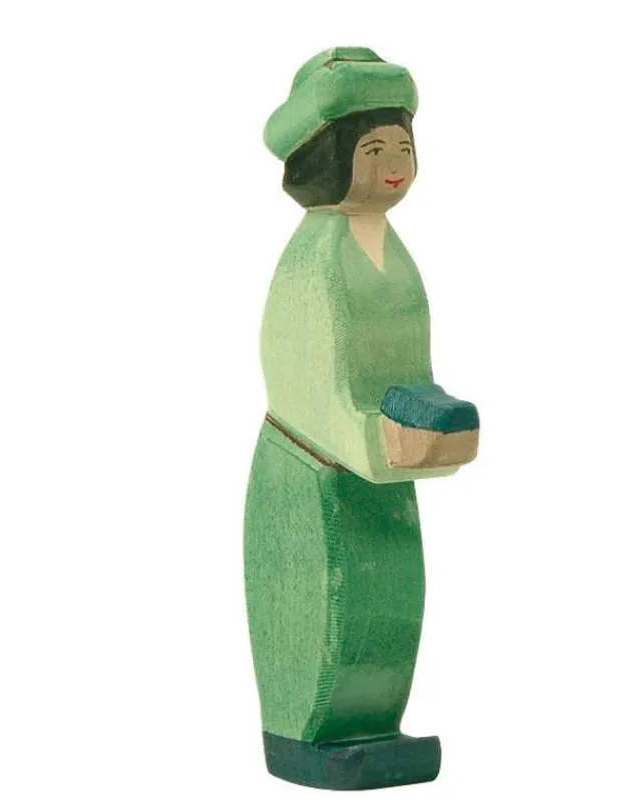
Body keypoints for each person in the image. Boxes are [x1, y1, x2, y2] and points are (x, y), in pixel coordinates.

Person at [244, 47, 479, 790]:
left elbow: (408, 365)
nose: (394, 167)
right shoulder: (313, 260)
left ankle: (377, 727)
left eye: (403, 148)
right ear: (328, 158)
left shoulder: (393, 253)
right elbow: (304, 383)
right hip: (312, 470)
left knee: (391, 599)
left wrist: (434, 429)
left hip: (382, 469)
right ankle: (306, 737)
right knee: (328, 607)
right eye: (373, 151)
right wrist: (376, 439)